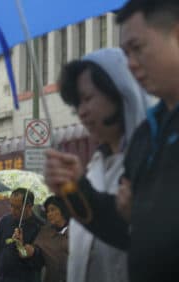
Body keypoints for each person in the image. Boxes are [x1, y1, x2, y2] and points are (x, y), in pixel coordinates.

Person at [45, 1, 179, 282]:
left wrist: (143, 214)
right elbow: (124, 231)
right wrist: (74, 188)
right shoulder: (148, 137)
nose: (131, 63)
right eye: (127, 52)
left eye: (138, 48)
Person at [59, 47, 148, 282]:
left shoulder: (152, 162)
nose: (82, 112)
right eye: (77, 104)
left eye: (88, 99)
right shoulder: (92, 168)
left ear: (120, 91)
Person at [0, 188, 44, 282]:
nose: (13, 210)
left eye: (18, 208)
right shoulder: (5, 221)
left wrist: (21, 246)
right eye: (11, 206)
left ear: (29, 206)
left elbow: (39, 262)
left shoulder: (39, 227)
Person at [18, 196, 70, 282]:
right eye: (47, 211)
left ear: (63, 210)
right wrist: (22, 248)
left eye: (53, 209)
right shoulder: (44, 233)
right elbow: (35, 258)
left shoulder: (78, 232)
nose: (49, 214)